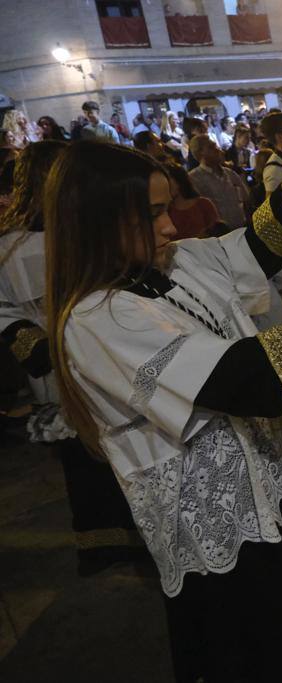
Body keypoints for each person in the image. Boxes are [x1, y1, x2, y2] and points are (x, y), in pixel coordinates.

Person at [46, 138, 282, 681]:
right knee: (261, 642)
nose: (170, 227)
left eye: (168, 209)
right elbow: (240, 380)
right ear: (97, 222)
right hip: (217, 512)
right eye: (152, 214)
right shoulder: (96, 318)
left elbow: (254, 248)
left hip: (270, 469)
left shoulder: (176, 260)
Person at [0, 139, 145, 575]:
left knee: (104, 451)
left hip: (83, 358)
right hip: (75, 361)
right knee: (95, 454)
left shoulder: (65, 234)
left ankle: (120, 539)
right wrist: (34, 344)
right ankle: (110, 542)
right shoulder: (17, 245)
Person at [188, 136, 250, 230]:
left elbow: (246, 199)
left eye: (216, 146)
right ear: (200, 152)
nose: (218, 150)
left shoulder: (230, 173)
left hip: (242, 230)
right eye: (211, 147)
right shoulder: (194, 179)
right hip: (219, 237)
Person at [165, 163, 221, 239]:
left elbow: (216, 231)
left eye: (168, 182)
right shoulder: (165, 211)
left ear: (179, 181)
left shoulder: (203, 204)